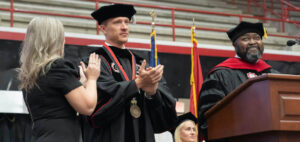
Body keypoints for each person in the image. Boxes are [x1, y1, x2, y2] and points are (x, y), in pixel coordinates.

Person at [81, 3, 177, 142]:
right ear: (103, 28)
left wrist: (152, 92)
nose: (125, 27)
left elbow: (165, 118)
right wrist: (137, 84)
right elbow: (97, 107)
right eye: (117, 22)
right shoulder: (94, 61)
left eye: (127, 22)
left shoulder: (141, 63)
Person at [19, 17, 101, 142]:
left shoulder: (30, 74)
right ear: (55, 40)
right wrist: (92, 78)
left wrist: (78, 85)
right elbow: (88, 107)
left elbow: (54, 105)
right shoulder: (58, 67)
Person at [197, 21, 279, 142]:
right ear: (235, 44)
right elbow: (209, 119)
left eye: (257, 38)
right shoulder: (221, 75)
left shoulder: (274, 75)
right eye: (245, 39)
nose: (252, 42)